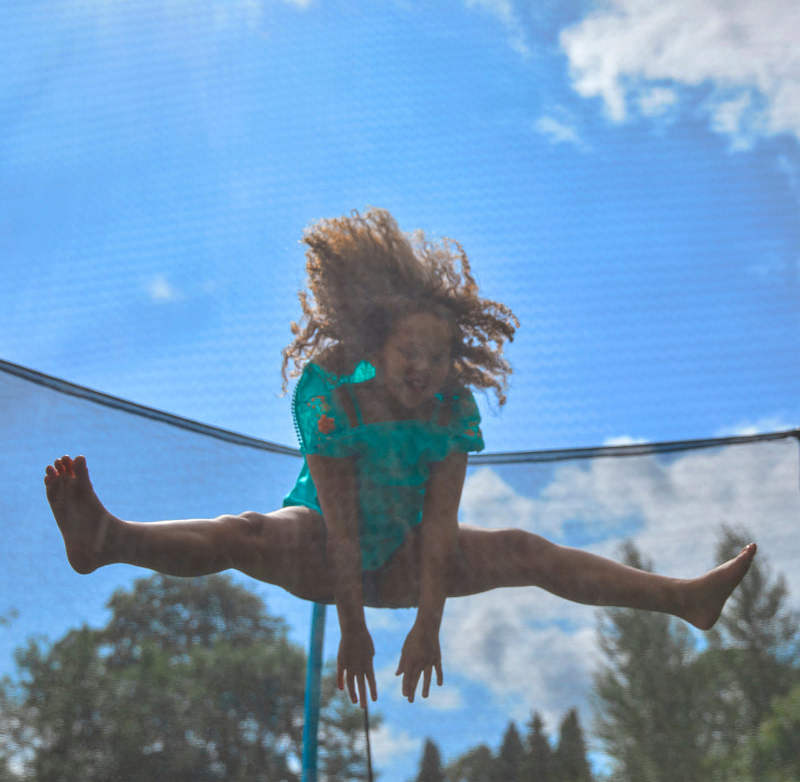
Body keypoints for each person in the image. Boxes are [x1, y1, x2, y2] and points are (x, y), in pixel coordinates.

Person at [45, 208, 756, 709]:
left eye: (437, 356)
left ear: (453, 362)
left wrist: (428, 624)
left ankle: (683, 598)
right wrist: (353, 631)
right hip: (325, 548)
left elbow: (442, 530)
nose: (422, 367)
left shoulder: (452, 412)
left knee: (521, 545)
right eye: (408, 353)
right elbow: (344, 525)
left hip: (408, 558)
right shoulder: (331, 396)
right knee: (250, 530)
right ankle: (109, 541)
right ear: (376, 351)